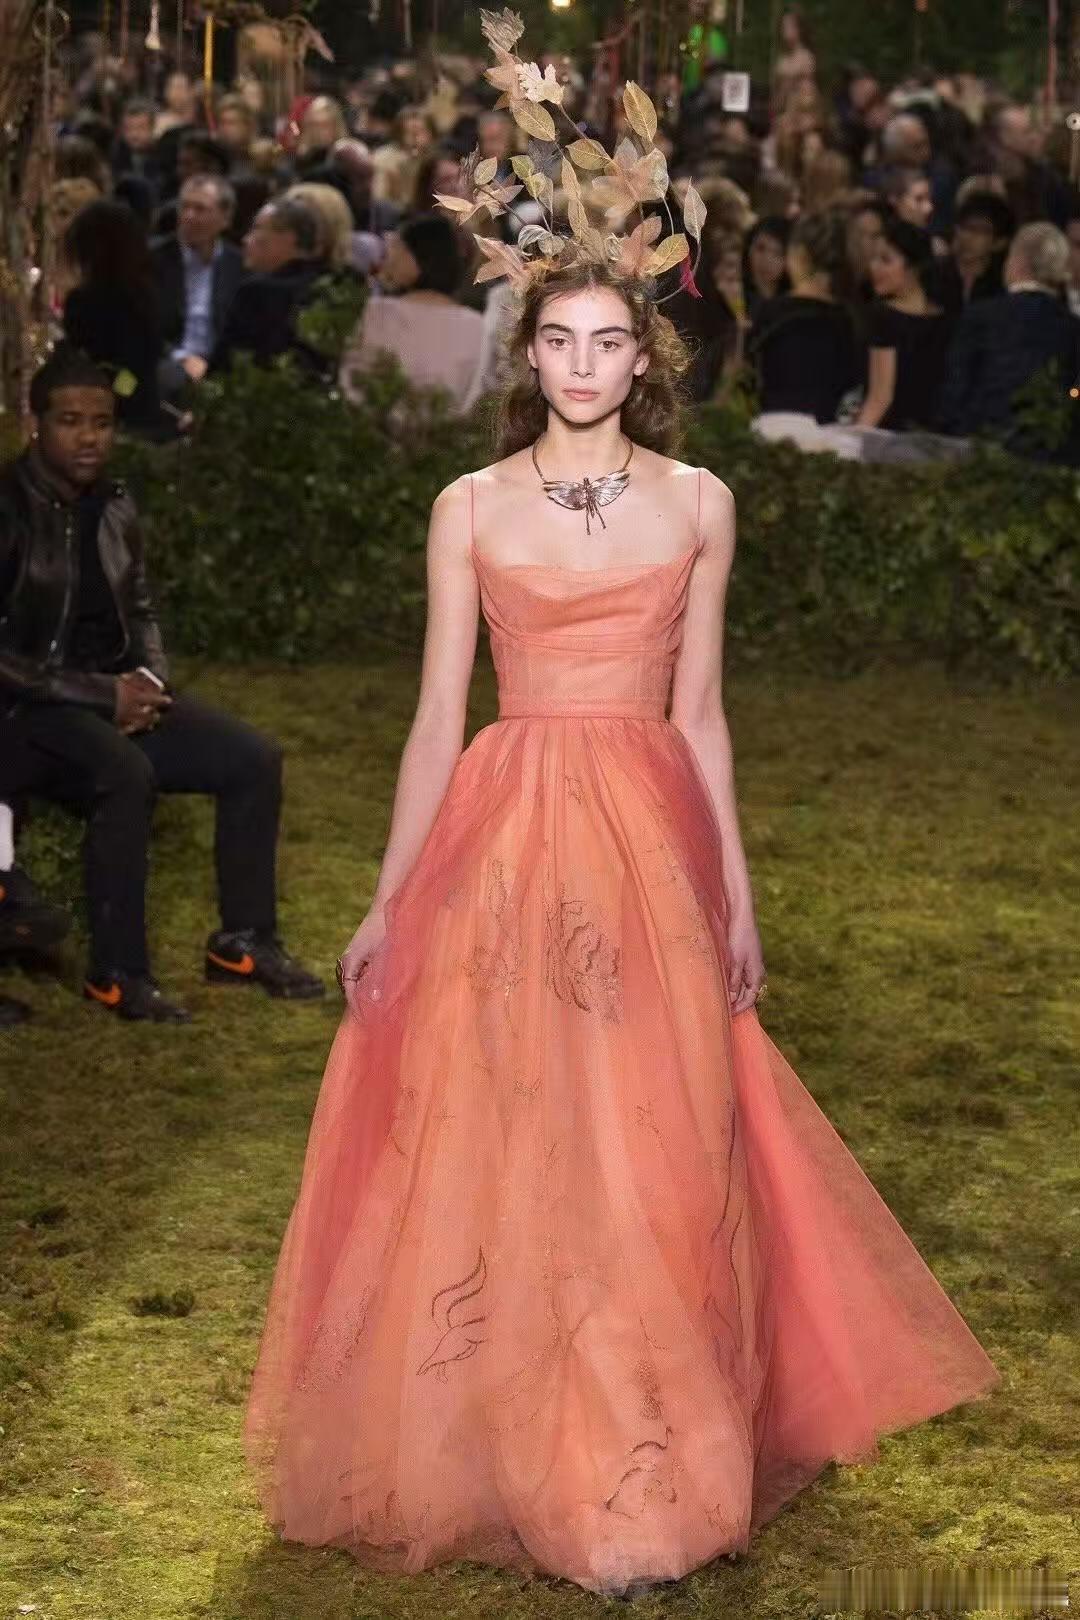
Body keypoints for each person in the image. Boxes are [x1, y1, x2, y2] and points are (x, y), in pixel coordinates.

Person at [243, 39, 1001, 1595]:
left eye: (606, 342)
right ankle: (515, 1437)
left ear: (642, 355)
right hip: (507, 835)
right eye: (560, 342)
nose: (582, 365)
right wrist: (388, 899)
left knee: (656, 1147)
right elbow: (432, 717)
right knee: (517, 1131)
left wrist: (739, 896)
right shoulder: (467, 510)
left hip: (649, 841)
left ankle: (645, 1457)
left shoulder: (701, 501)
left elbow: (703, 715)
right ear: (529, 357)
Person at [0, 346, 325, 1023]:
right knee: (124, 771)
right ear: (36, 425)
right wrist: (102, 697)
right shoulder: (10, 507)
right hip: (29, 710)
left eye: (102, 423)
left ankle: (243, 942)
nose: (89, 438)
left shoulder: (115, 504)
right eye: (69, 421)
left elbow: (141, 606)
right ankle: (118, 974)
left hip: (112, 696)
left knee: (252, 759)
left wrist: (149, 678)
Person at [937, 220, 1080, 461]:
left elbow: (955, 391)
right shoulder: (1072, 327)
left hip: (979, 451)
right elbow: (1075, 392)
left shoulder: (981, 317)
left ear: (1018, 261)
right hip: (1050, 456)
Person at [339, 211, 485, 412]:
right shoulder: (477, 325)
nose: (389, 258)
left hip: (380, 428)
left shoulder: (378, 314)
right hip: (451, 430)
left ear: (415, 256)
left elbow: (353, 387)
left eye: (397, 248)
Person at [62, 197, 177, 441]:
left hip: (106, 411)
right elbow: (139, 363)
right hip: (143, 404)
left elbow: (85, 359)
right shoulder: (148, 293)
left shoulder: (84, 301)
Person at [747, 209, 865, 423]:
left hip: (774, 429)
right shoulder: (851, 318)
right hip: (831, 431)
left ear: (798, 254)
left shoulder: (772, 313)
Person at [855, 215, 953, 432]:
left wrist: (850, 441)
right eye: (873, 259)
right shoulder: (945, 318)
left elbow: (880, 398)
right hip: (932, 438)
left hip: (887, 439)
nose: (874, 268)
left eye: (885, 260)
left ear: (913, 268)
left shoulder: (883, 318)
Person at [209, 197, 326, 373]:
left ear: (289, 238)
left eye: (256, 229)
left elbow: (223, 368)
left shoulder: (257, 292)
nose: (245, 239)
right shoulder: (328, 285)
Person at [152, 175, 244, 393]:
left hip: (219, 366)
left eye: (200, 209)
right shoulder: (151, 258)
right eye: (184, 207)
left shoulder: (238, 264)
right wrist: (183, 358)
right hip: (167, 361)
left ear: (225, 218)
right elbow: (140, 326)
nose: (189, 216)